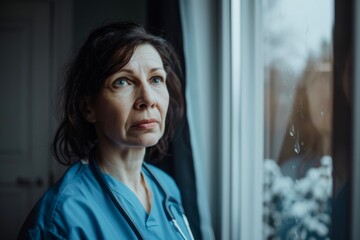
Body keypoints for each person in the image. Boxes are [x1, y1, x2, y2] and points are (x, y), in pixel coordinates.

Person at [18, 21, 194, 240]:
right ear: (88, 107)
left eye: (156, 79)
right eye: (122, 82)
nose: (148, 99)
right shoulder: (61, 216)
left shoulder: (166, 187)